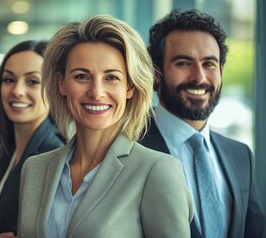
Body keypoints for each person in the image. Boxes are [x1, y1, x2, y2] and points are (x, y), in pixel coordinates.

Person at [17, 14, 194, 238]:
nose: (96, 92)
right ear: (62, 83)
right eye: (81, 76)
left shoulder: (157, 171)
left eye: (111, 78)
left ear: (130, 87)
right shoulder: (34, 169)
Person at [140, 9, 266, 238]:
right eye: (183, 63)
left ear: (221, 71)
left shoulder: (241, 156)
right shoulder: (127, 149)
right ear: (156, 73)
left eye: (209, 64)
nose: (199, 77)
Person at [0, 40, 65, 238]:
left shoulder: (53, 156)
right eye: (9, 80)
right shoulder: (8, 151)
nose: (17, 90)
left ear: (53, 89)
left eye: (33, 81)